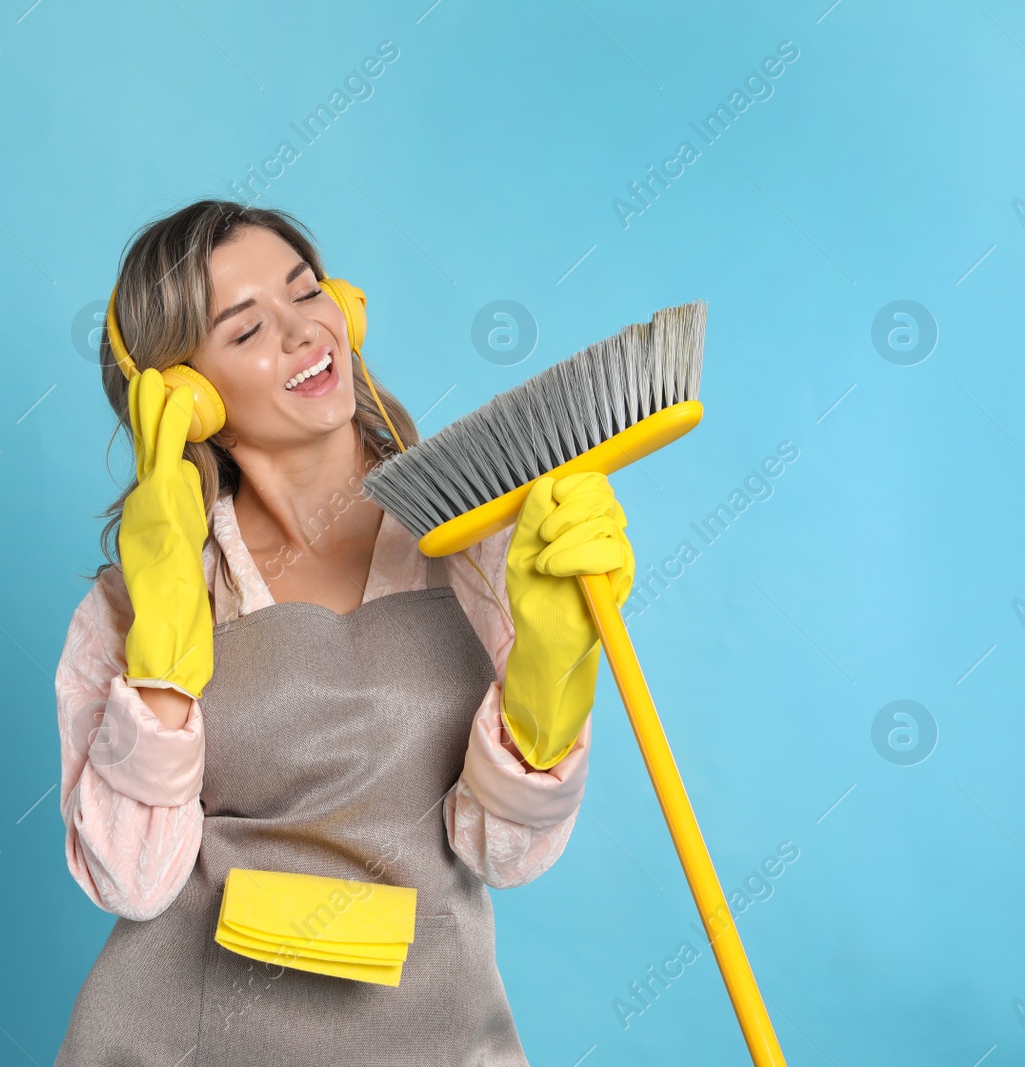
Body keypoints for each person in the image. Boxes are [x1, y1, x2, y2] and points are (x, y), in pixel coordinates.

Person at [53, 199, 635, 1065]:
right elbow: (132, 881)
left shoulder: (479, 547)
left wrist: (552, 669)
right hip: (186, 1035)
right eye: (246, 330)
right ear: (185, 394)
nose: (303, 335)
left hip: (433, 1030)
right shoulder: (134, 604)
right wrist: (168, 637)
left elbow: (502, 853)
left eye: (307, 292)